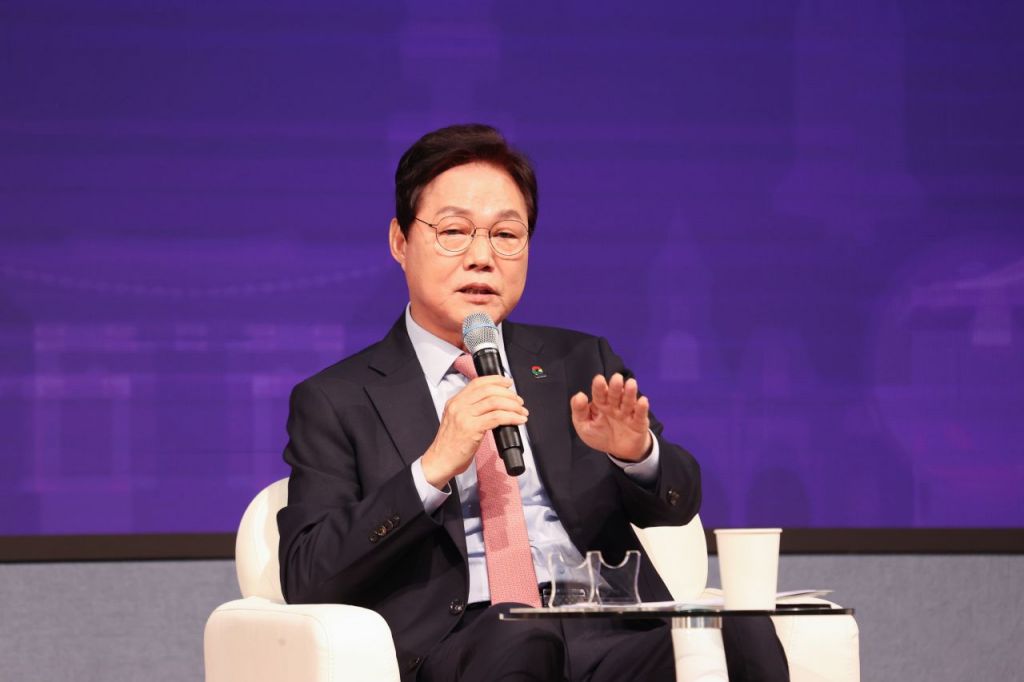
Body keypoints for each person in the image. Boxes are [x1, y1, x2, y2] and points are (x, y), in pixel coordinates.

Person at [277, 123, 789, 681]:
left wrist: (636, 454)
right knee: (520, 636)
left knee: (743, 630)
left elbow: (676, 502)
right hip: (466, 642)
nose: (482, 257)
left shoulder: (579, 360)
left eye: (506, 234)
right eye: (454, 231)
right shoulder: (337, 399)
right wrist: (431, 469)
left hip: (607, 629)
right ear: (401, 242)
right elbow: (308, 574)